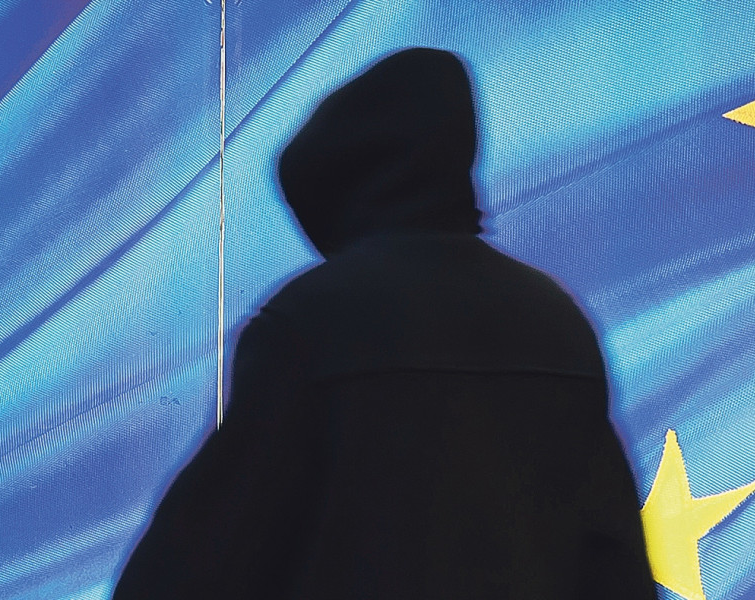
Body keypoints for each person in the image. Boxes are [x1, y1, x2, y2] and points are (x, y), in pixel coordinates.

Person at [112, 48, 656, 599]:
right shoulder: (553, 319)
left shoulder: (314, 320)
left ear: (334, 186)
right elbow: (612, 560)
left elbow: (197, 560)